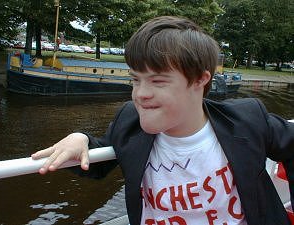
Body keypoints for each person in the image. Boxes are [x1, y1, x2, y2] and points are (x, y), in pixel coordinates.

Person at [32, 16, 294, 225]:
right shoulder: (129, 121)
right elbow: (100, 160)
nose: (140, 94)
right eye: (135, 79)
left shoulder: (247, 120)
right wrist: (81, 139)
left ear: (200, 80)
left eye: (157, 81)